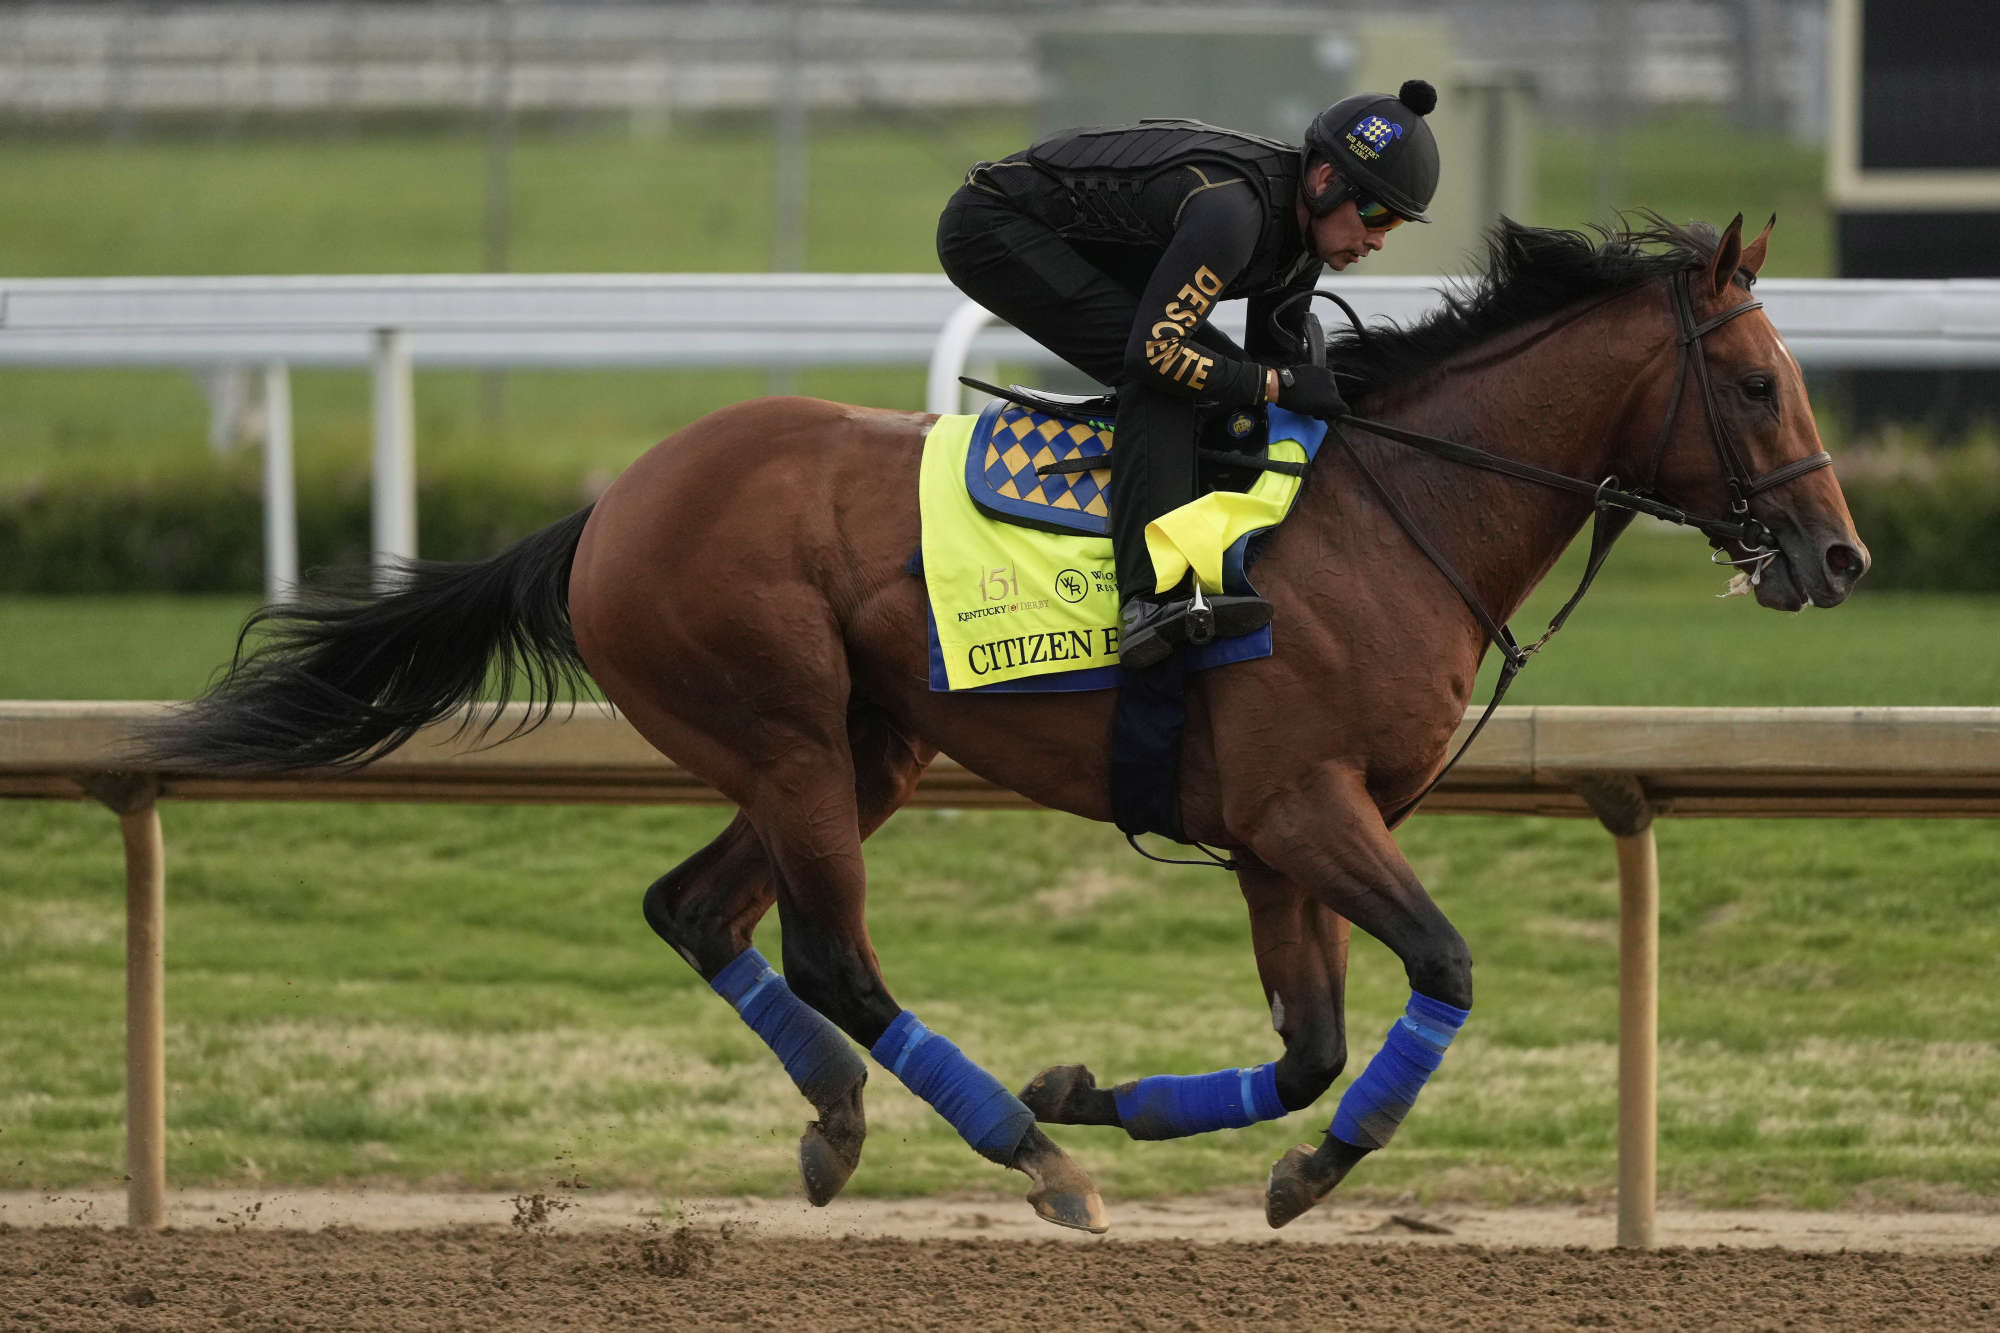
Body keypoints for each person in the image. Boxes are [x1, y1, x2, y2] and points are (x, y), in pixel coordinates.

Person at [936, 79, 1441, 669]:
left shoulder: (1307, 234)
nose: (1379, 238)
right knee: (1169, 378)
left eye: (1397, 223)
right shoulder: (1235, 213)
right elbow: (1157, 355)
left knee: (1232, 383)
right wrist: (1276, 385)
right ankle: (1148, 599)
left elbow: (1272, 368)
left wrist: (1309, 394)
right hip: (994, 227)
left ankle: (1220, 552)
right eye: (1376, 212)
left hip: (1081, 242)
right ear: (1326, 180)